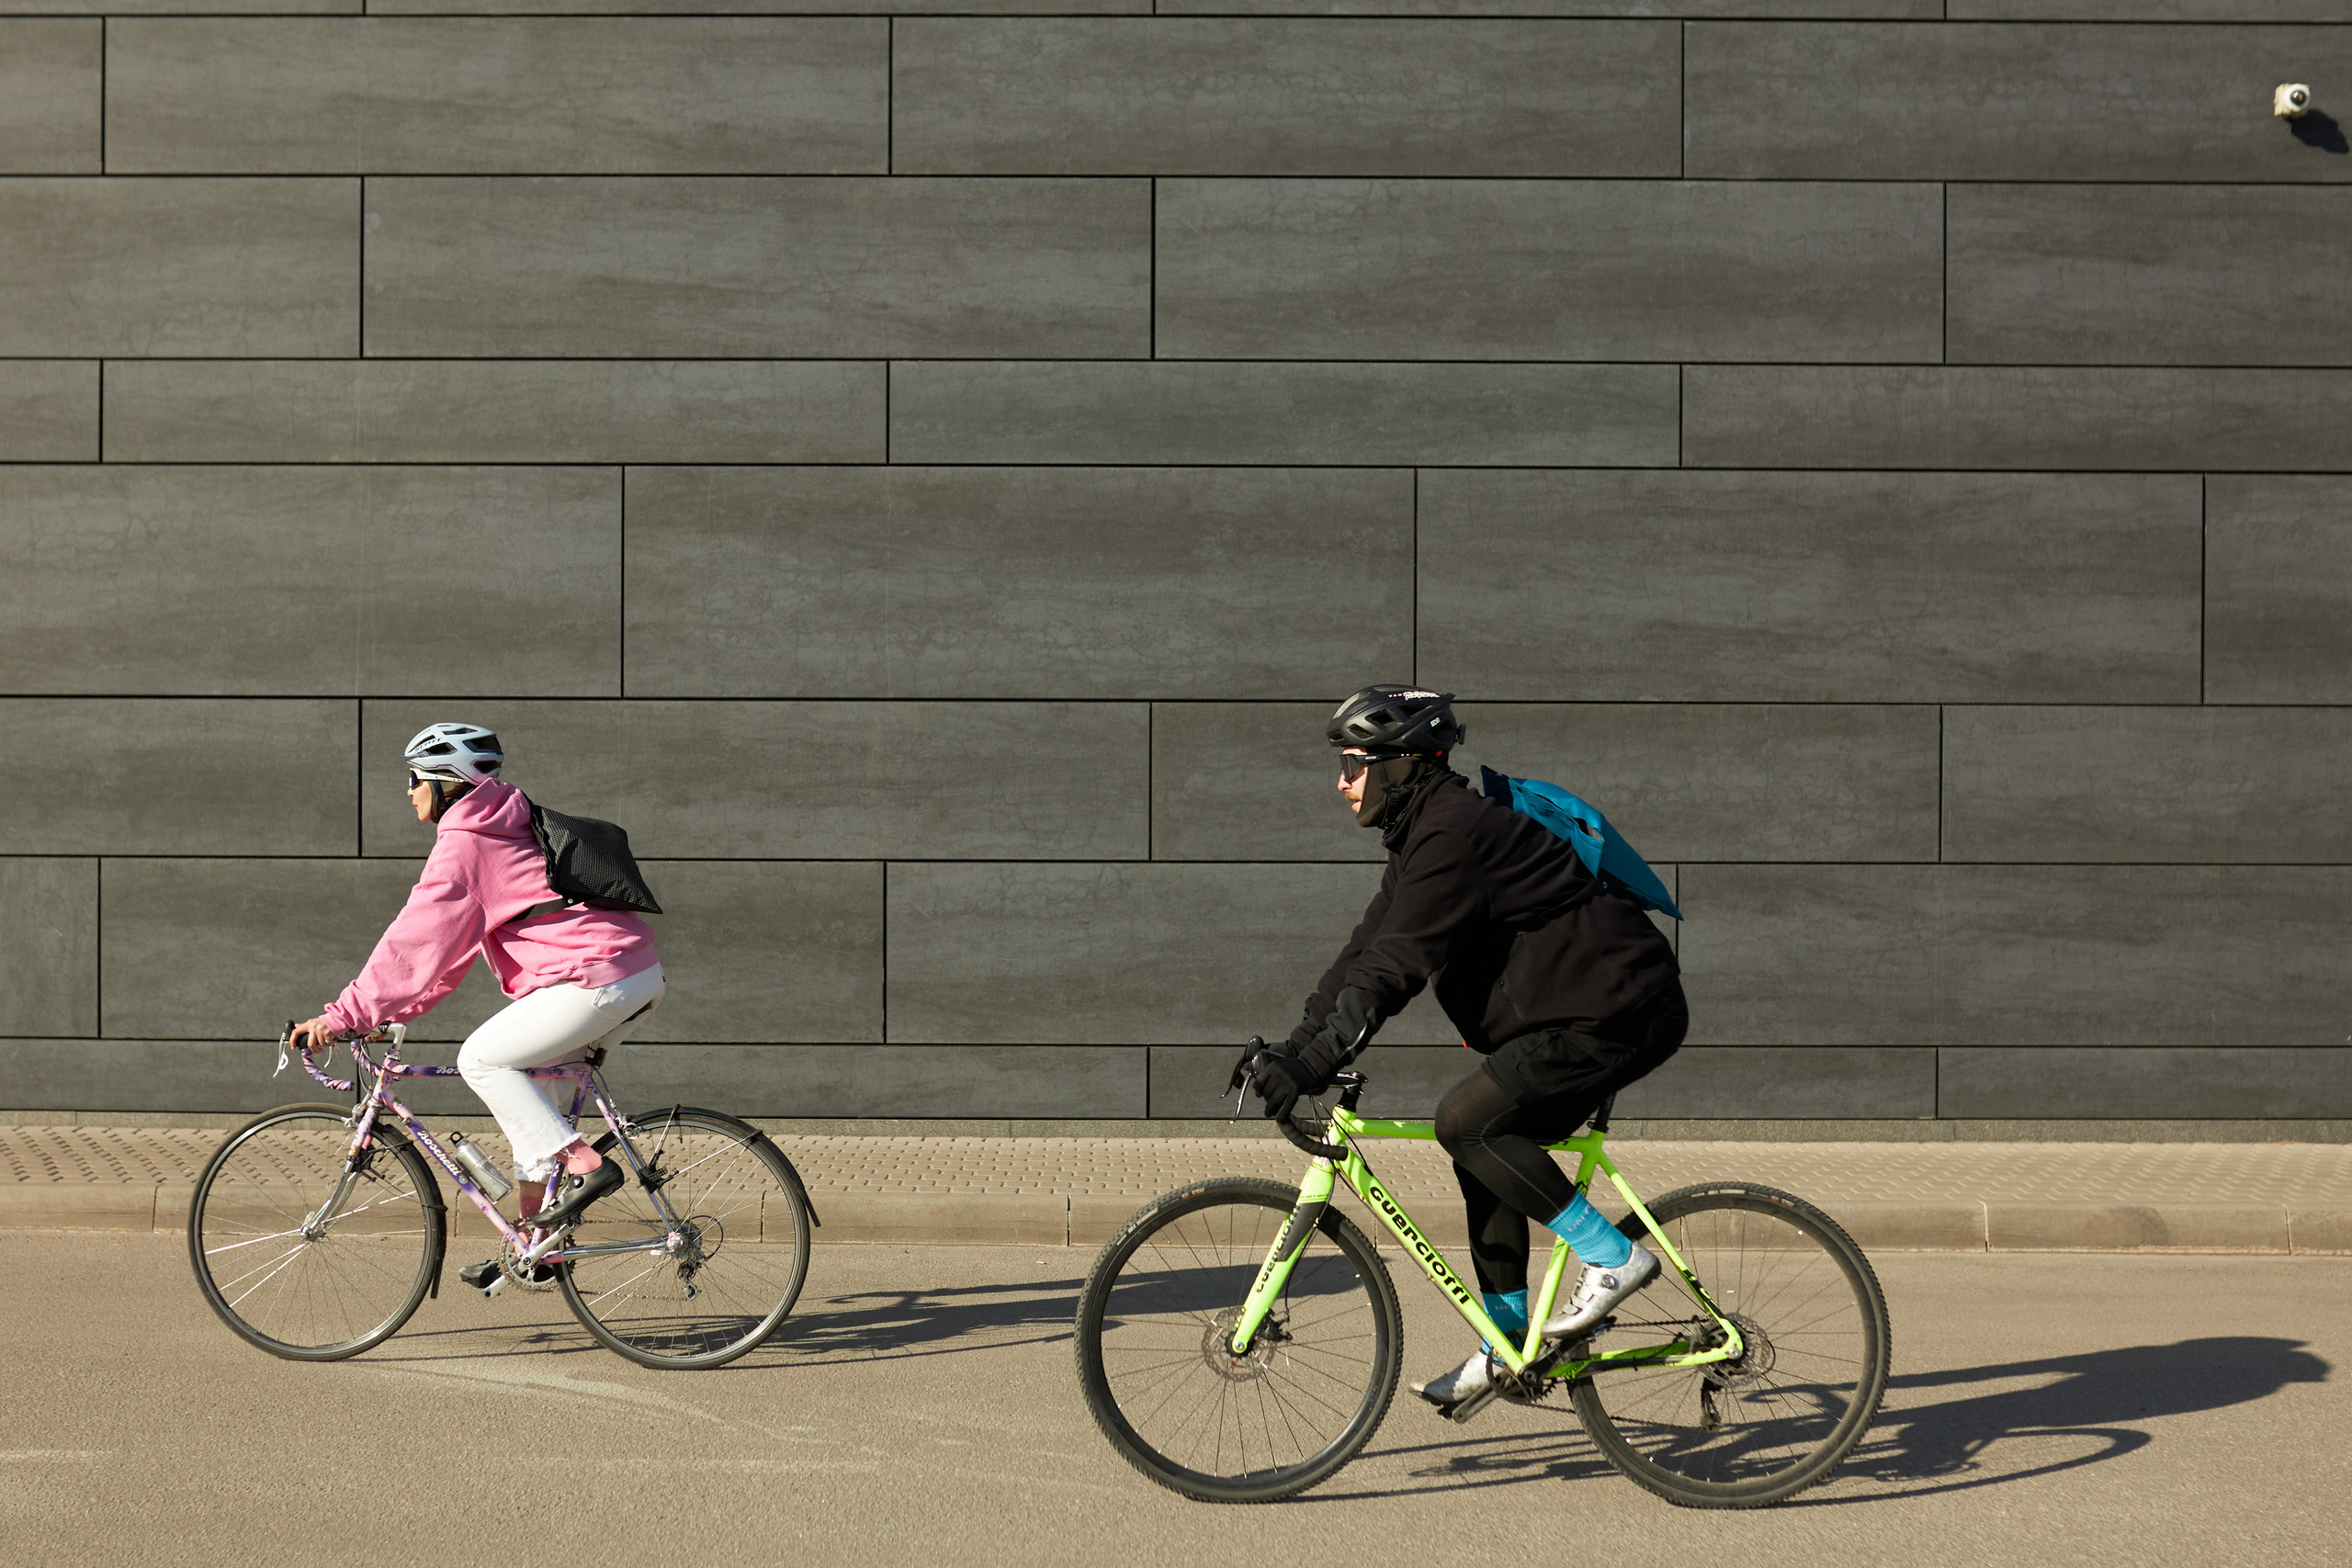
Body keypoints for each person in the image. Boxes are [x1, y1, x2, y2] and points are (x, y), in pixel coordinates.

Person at [1240, 687, 1688, 1410]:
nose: (1342, 780)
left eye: (1354, 762)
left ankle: (1612, 1255)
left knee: (1466, 1119)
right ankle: (1509, 1343)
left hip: (1623, 1009)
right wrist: (1294, 1047)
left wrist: (1314, 1064)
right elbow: (1363, 953)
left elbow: (1396, 969)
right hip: (1583, 1014)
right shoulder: (1426, 838)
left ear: (1400, 765)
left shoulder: (1453, 835)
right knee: (1485, 1145)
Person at [288, 723, 664, 1282]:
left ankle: (587, 1165)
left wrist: (343, 1016)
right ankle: (538, 1246)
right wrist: (389, 1013)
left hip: (592, 980)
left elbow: (415, 940)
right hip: (629, 974)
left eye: (413, 778)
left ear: (445, 781)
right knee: (536, 1114)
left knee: (480, 1060)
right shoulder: (504, 823)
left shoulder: (467, 842)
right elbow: (448, 957)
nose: (408, 789)